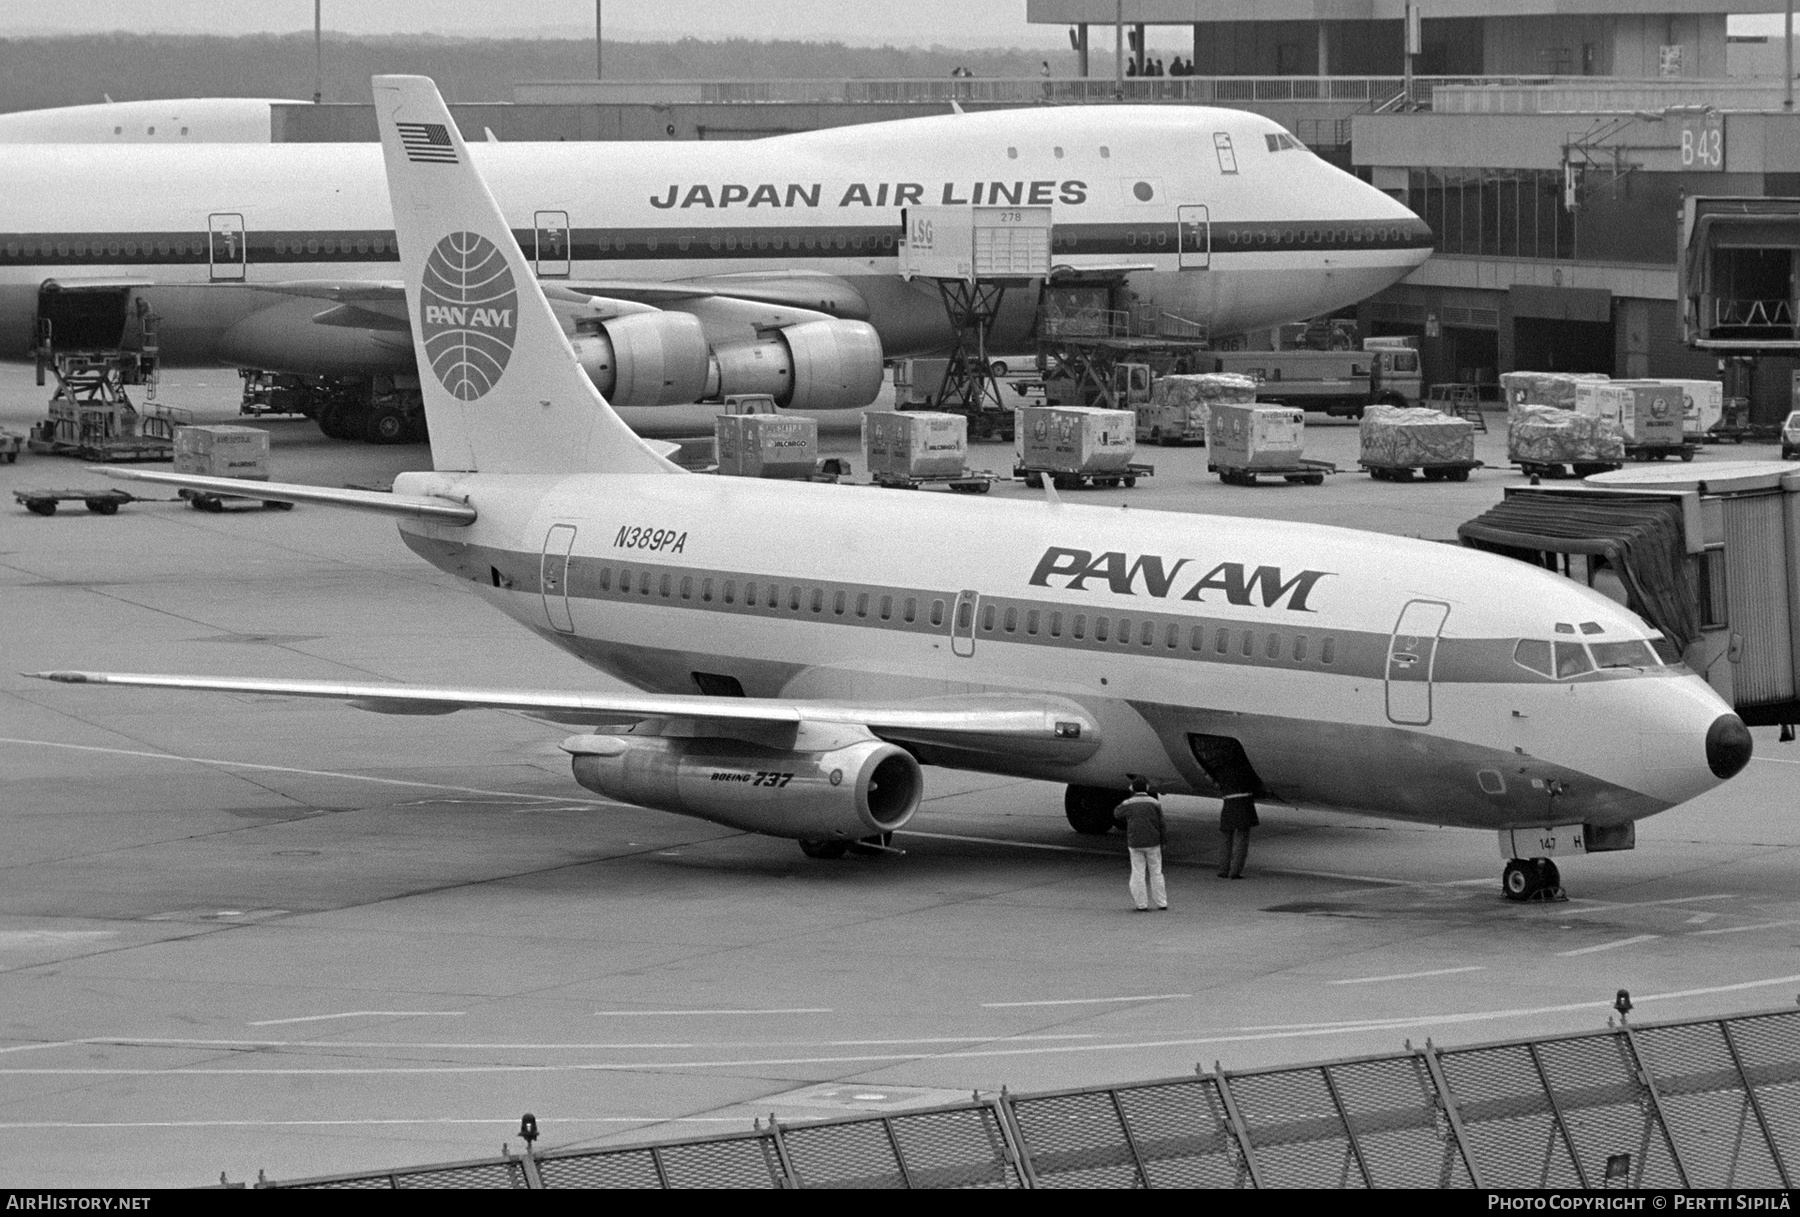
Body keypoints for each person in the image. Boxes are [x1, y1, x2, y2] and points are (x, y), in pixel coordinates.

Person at [1113, 777, 1168, 911]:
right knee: (1156, 872)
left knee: (1138, 873)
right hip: (1153, 842)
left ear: (1132, 788)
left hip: (1135, 842)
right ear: (1147, 788)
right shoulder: (1155, 803)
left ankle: (1141, 904)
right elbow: (1162, 824)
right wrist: (1163, 841)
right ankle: (1162, 902)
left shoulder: (1128, 803)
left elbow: (1116, 813)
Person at [1218, 793, 1258, 879]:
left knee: (1226, 839)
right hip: (1244, 803)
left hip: (1228, 802)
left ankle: (1223, 870)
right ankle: (1235, 871)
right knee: (1242, 839)